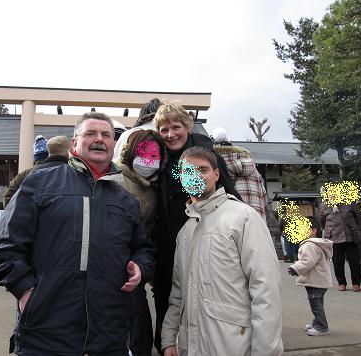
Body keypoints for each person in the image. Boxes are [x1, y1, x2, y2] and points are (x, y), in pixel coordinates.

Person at [0, 112, 155, 355]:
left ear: (113, 144)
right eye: (90, 133)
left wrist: (141, 267)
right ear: (75, 142)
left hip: (109, 334)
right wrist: (27, 292)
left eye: (106, 135)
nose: (99, 139)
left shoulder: (126, 200)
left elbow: (143, 248)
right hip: (46, 333)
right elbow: (5, 246)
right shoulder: (39, 184)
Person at [161, 146, 283, 356]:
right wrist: (169, 339)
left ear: (216, 174)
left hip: (234, 345)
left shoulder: (243, 217)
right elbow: (178, 292)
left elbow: (266, 289)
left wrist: (266, 351)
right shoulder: (185, 231)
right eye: (188, 171)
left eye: (202, 169)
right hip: (190, 346)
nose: (195, 176)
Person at [152, 101, 242, 352]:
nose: (171, 135)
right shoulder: (158, 160)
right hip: (168, 249)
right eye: (164, 130)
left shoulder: (204, 158)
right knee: (167, 302)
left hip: (204, 242)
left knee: (200, 306)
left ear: (188, 127)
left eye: (176, 127)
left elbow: (230, 194)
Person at [111, 129, 167, 356]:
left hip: (137, 267)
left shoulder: (154, 186)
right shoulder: (112, 179)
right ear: (129, 152)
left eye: (155, 157)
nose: (148, 161)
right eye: (143, 154)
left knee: (139, 328)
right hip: (110, 269)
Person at [288, 216, 333, 336]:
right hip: (318, 281)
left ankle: (322, 327)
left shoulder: (310, 246)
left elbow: (307, 262)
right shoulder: (314, 244)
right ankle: (317, 322)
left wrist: (295, 268)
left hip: (316, 281)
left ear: (313, 230)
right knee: (317, 303)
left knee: (316, 304)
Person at [212, 127, 268, 221]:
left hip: (225, 224)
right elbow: (264, 199)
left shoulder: (210, 167)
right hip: (255, 223)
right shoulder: (253, 170)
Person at [320, 200, 361, 292]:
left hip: (350, 236)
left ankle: (356, 283)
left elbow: (358, 218)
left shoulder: (350, 203)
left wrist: (359, 230)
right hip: (334, 237)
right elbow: (322, 221)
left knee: (354, 260)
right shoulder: (324, 206)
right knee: (338, 261)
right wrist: (329, 230)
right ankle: (341, 283)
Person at [3, 135, 48, 207]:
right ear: (48, 156)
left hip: (27, 215)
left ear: (35, 157)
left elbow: (8, 196)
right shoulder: (56, 173)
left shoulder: (23, 175)